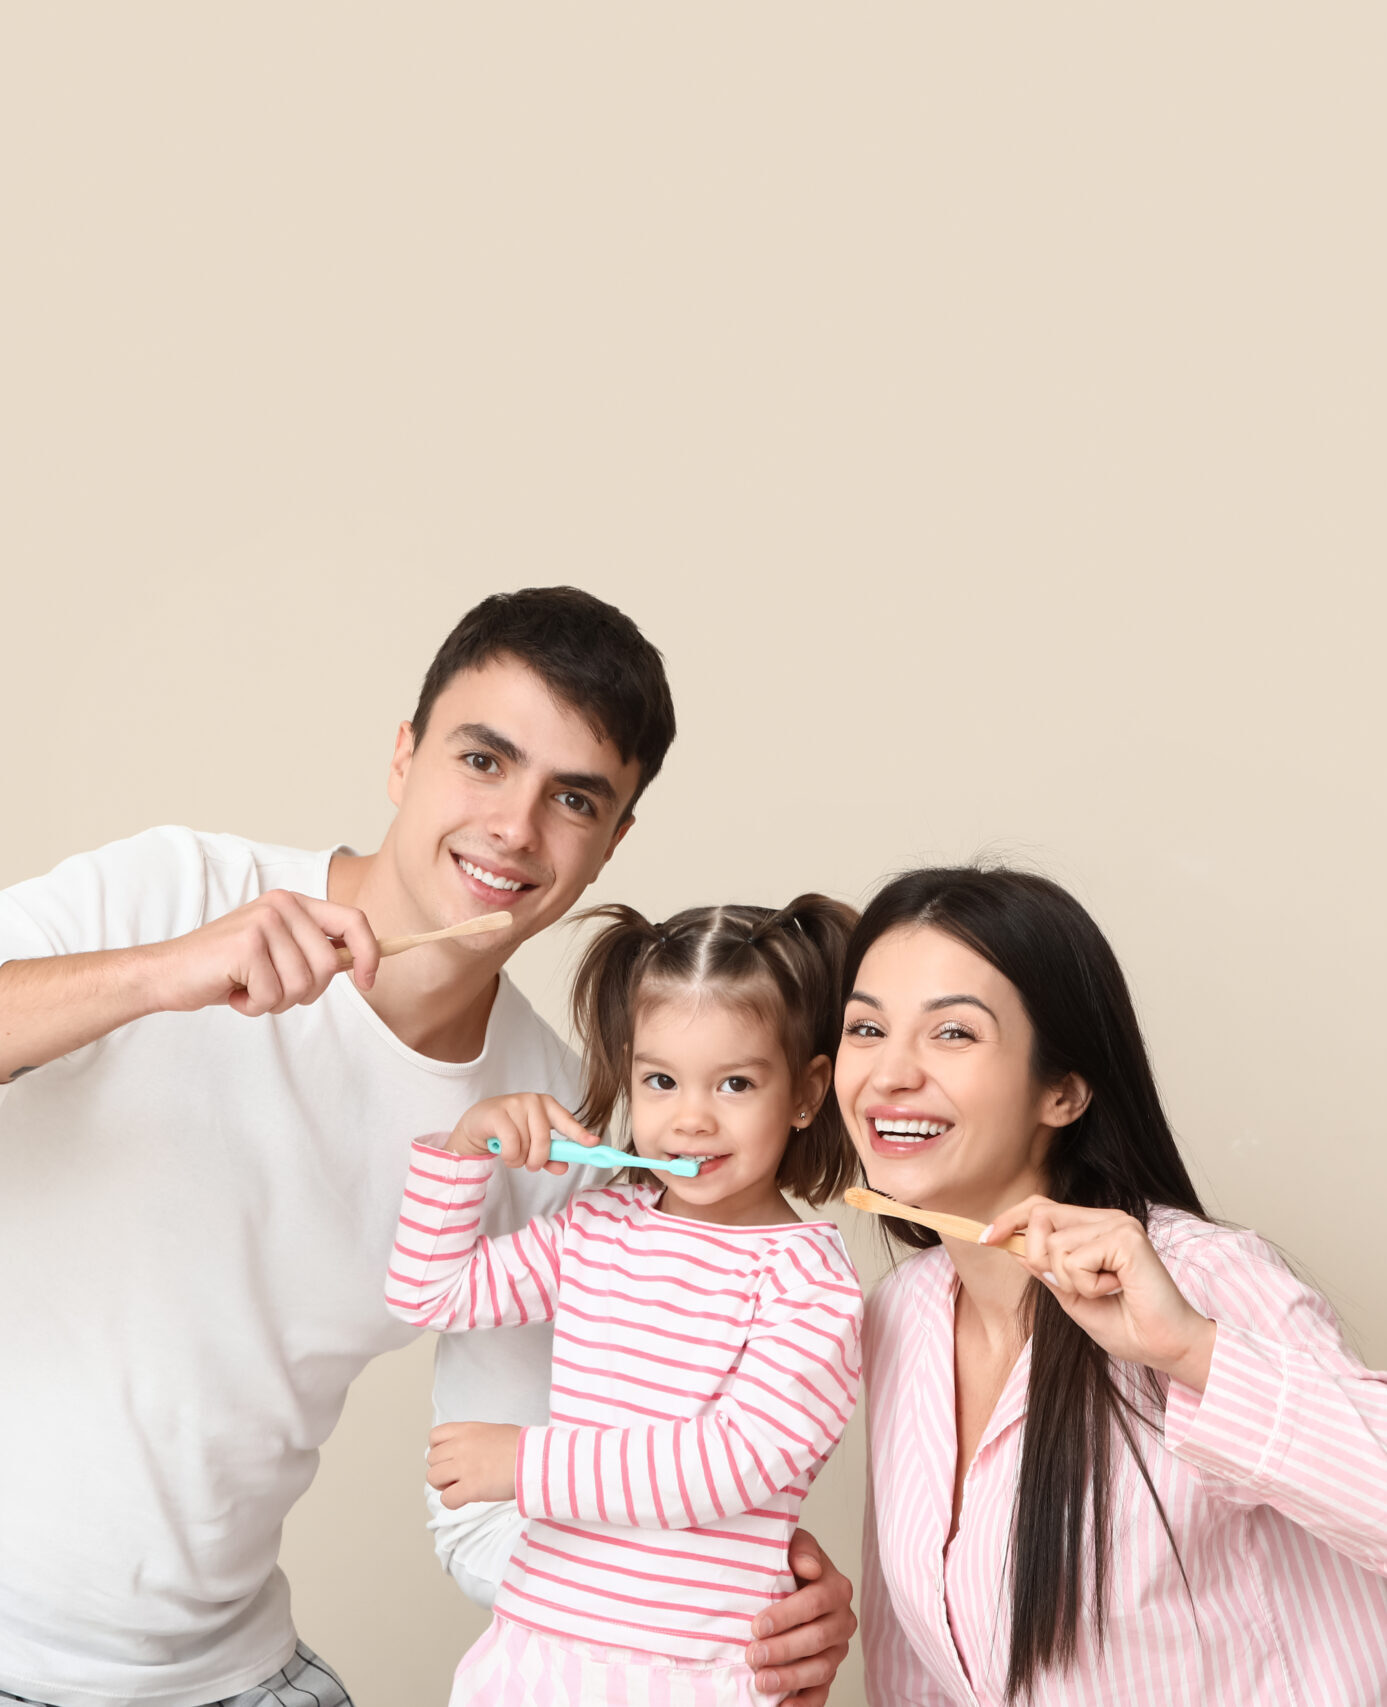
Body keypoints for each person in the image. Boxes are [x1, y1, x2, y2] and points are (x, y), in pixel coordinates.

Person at [0, 588, 854, 1707]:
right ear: (403, 755)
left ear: (613, 844)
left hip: (226, 1677)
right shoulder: (177, 891)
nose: (514, 829)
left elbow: (489, 1505)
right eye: (484, 760)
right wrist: (162, 974)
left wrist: (723, 1593)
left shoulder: (552, 1126)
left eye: (574, 800)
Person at [835, 867, 1387, 1706]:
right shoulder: (900, 1314)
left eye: (951, 1033)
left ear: (1063, 1090)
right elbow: (922, 1671)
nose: (888, 1074)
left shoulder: (1198, 1278)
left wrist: (1191, 1350)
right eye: (865, 1028)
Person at [385, 897, 864, 1705]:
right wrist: (465, 1148)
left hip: (689, 1675)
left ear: (807, 1092)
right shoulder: (595, 1226)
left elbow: (730, 1461)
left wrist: (523, 1462)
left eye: (736, 1082)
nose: (689, 1118)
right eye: (660, 1080)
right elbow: (429, 1294)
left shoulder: (810, 1283)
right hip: (531, 1656)